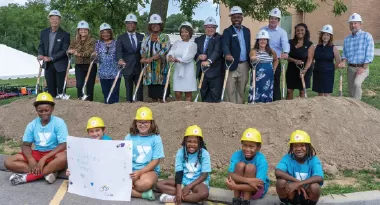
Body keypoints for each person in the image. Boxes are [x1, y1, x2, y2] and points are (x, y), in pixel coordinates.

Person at [4, 92, 68, 185]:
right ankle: (49, 171)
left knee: (63, 157)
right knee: (8, 162)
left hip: (53, 154)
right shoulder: (32, 125)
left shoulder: (59, 123)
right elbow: (26, 145)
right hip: (38, 153)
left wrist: (44, 159)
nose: (44, 113)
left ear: (52, 109)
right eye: (40, 111)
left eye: (47, 110)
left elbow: (64, 144)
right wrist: (31, 159)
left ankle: (27, 177)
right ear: (36, 110)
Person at [156, 125, 211, 204]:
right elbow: (179, 173)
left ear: (200, 143)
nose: (192, 144)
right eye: (189, 141)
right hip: (183, 180)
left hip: (197, 183)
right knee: (159, 184)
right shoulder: (181, 152)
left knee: (204, 194)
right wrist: (179, 190)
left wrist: (189, 187)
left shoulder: (204, 153)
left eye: (195, 142)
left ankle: (174, 198)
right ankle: (188, 196)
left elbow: (204, 175)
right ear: (185, 141)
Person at [125, 106, 165, 200]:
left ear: (151, 123)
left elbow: (156, 161)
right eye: (140, 122)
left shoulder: (156, 138)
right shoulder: (129, 137)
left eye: (146, 122)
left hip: (149, 170)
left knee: (144, 184)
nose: (143, 125)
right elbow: (125, 156)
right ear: (135, 123)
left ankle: (128, 188)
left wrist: (140, 172)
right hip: (132, 170)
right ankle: (143, 195)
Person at [275, 130, 323, 205]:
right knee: (280, 182)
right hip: (291, 192)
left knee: (315, 187)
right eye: (295, 146)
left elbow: (319, 177)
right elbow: (278, 172)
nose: (298, 148)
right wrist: (296, 182)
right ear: (291, 147)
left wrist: (299, 184)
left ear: (308, 147)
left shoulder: (313, 159)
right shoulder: (288, 158)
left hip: (307, 194)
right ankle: (286, 203)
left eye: (302, 145)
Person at [226, 128, 270, 205]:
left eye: (251, 146)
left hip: (256, 191)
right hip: (244, 187)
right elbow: (230, 175)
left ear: (258, 147)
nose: (247, 149)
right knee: (240, 165)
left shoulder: (261, 160)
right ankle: (236, 200)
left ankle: (246, 201)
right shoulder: (237, 154)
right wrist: (249, 181)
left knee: (250, 167)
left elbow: (258, 185)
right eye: (245, 145)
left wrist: (235, 187)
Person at [338, 13, 374, 100]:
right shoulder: (347, 39)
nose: (353, 25)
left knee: (357, 84)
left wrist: (363, 67)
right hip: (351, 68)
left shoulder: (367, 36)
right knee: (351, 90)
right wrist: (343, 62)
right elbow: (345, 54)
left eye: (355, 23)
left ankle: (358, 105)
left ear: (360, 24)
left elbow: (369, 54)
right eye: (351, 23)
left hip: (362, 67)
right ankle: (353, 110)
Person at [37, 10, 70, 98]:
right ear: (49, 20)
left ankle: (62, 109)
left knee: (61, 91)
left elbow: (64, 50)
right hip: (48, 65)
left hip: (60, 65)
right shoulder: (43, 32)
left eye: (57, 19)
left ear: (60, 20)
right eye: (52, 19)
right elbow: (41, 46)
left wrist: (51, 58)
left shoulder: (65, 34)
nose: (54, 21)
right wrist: (40, 54)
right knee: (51, 90)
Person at [222, 6, 251, 104]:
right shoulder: (227, 31)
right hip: (232, 63)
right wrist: (227, 54)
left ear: (242, 17)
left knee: (241, 88)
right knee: (230, 89)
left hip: (244, 64)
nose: (236, 19)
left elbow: (247, 46)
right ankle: (230, 111)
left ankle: (239, 110)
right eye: (234, 17)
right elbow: (225, 45)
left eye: (238, 17)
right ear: (231, 18)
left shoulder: (247, 31)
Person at [140, 14, 171, 102]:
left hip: (161, 68)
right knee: (153, 93)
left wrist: (152, 58)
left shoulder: (165, 37)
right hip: (150, 69)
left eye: (157, 23)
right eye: (153, 24)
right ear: (150, 26)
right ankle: (154, 106)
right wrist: (143, 58)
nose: (155, 25)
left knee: (162, 93)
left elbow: (164, 50)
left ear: (160, 25)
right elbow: (143, 49)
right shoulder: (146, 37)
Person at [261, 8, 290, 101]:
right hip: (263, 60)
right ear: (269, 18)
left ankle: (276, 103)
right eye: (271, 18)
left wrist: (285, 52)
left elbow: (285, 43)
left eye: (276, 19)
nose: (273, 20)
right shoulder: (262, 30)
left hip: (275, 61)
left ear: (278, 21)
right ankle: (262, 101)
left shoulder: (282, 32)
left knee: (275, 82)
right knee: (262, 81)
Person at [305, 25, 341, 96]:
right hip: (317, 72)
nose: (325, 37)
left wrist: (332, 69)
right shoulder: (316, 47)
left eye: (328, 35)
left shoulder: (333, 48)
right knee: (320, 94)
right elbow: (311, 59)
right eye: (324, 34)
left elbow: (338, 61)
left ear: (330, 36)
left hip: (328, 73)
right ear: (321, 35)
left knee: (327, 94)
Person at [194, 16, 223, 103]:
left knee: (215, 97)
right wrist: (198, 57)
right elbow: (194, 53)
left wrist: (209, 61)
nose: (210, 29)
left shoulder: (219, 38)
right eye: (208, 27)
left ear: (216, 28)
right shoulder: (198, 39)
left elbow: (217, 51)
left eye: (213, 27)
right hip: (202, 72)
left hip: (215, 72)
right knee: (204, 95)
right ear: (204, 28)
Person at [117, 13, 144, 102]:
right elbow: (118, 51)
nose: (130, 25)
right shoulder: (121, 37)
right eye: (128, 23)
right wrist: (120, 59)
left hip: (139, 67)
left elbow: (144, 50)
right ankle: (129, 109)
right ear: (126, 24)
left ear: (135, 25)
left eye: (132, 23)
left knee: (139, 91)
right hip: (127, 67)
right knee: (128, 91)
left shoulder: (141, 36)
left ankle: (140, 108)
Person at [168, 21, 197, 101]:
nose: (183, 34)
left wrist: (179, 60)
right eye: (182, 32)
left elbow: (189, 57)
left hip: (188, 72)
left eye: (186, 32)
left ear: (190, 33)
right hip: (178, 71)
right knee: (177, 93)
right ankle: (179, 110)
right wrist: (170, 56)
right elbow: (171, 52)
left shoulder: (193, 45)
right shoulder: (177, 43)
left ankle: (187, 110)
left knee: (188, 93)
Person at [68, 20, 97, 101]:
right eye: (81, 29)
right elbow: (69, 48)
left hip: (90, 65)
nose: (83, 31)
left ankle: (90, 101)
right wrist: (69, 51)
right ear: (78, 30)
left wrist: (79, 54)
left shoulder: (92, 40)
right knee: (79, 84)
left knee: (90, 85)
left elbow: (90, 52)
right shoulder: (74, 40)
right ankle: (80, 100)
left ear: (88, 30)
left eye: (85, 29)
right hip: (79, 65)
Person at [248, 30, 278, 103]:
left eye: (264, 40)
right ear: (258, 41)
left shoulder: (271, 51)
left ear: (267, 41)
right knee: (257, 89)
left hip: (268, 75)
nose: (263, 41)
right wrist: (254, 58)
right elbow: (252, 57)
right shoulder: (254, 51)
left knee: (267, 91)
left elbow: (276, 60)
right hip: (257, 74)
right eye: (261, 39)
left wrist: (274, 68)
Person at [95, 23, 121, 104]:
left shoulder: (116, 42)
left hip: (115, 73)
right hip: (103, 73)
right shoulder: (98, 43)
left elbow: (120, 55)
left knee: (114, 94)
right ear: (100, 34)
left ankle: (116, 111)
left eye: (107, 32)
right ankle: (108, 112)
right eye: (103, 32)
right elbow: (96, 60)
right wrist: (94, 56)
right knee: (106, 94)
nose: (105, 34)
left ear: (110, 33)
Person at [286, 23, 313, 99]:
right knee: (289, 90)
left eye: (302, 30)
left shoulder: (309, 44)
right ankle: (288, 108)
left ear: (305, 31)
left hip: (304, 69)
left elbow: (310, 59)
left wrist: (305, 70)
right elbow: (285, 56)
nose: (300, 32)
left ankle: (301, 109)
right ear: (295, 32)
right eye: (298, 30)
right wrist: (294, 60)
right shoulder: (290, 42)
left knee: (302, 91)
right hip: (292, 69)